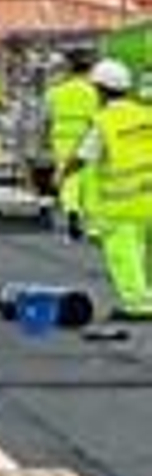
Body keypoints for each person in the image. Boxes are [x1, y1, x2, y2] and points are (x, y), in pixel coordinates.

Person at [61, 58, 152, 321]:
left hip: (123, 202)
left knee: (122, 255)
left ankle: (137, 304)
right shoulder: (145, 114)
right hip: (148, 196)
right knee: (139, 250)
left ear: (100, 90)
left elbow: (83, 157)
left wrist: (62, 175)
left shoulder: (104, 122)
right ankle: (146, 295)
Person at [43, 47, 100, 240]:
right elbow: (98, 117)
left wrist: (46, 139)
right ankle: (92, 225)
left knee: (68, 178)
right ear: (88, 69)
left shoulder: (55, 92)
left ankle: (72, 211)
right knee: (90, 179)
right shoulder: (93, 91)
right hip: (85, 136)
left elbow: (48, 118)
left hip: (61, 138)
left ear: (69, 69)